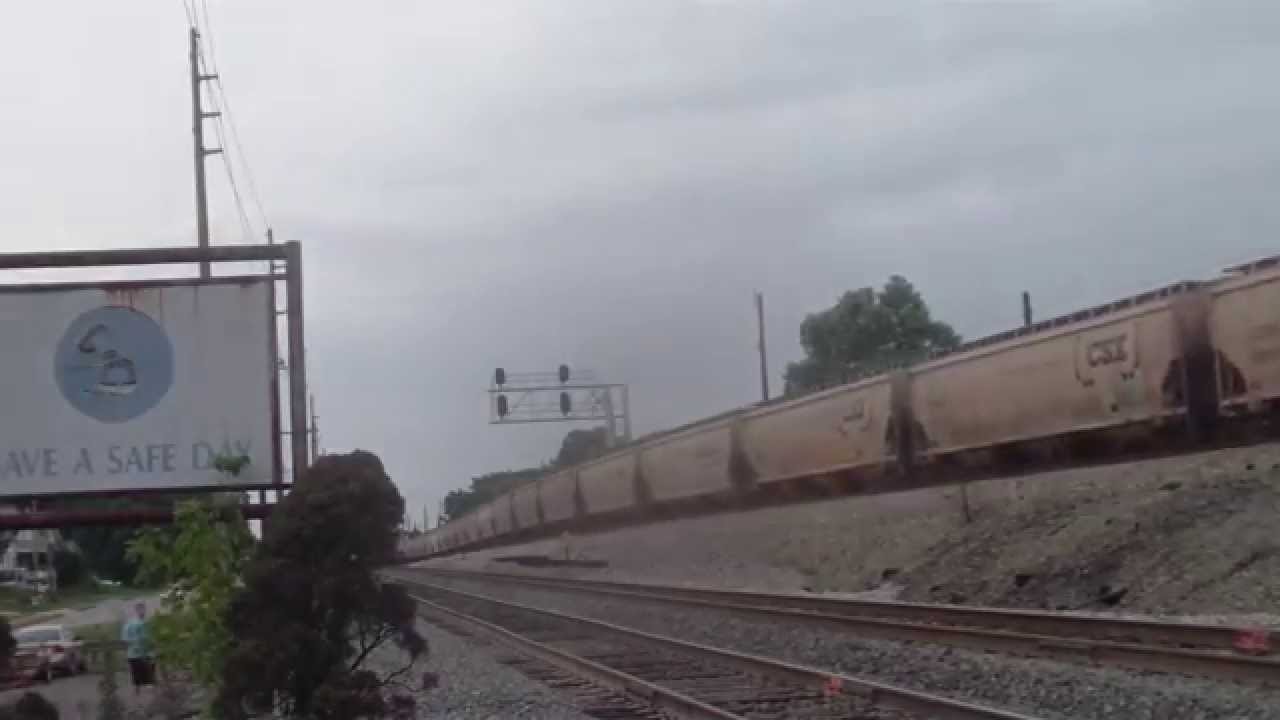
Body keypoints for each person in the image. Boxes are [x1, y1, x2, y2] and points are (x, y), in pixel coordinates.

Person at [120, 601, 154, 695]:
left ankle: (148, 689)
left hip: (147, 652)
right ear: (136, 610)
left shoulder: (147, 622)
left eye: (143, 608)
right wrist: (130, 646)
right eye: (140, 609)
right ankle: (137, 690)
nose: (142, 611)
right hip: (134, 653)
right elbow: (125, 639)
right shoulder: (131, 623)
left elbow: (151, 636)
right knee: (136, 672)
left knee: (148, 671)